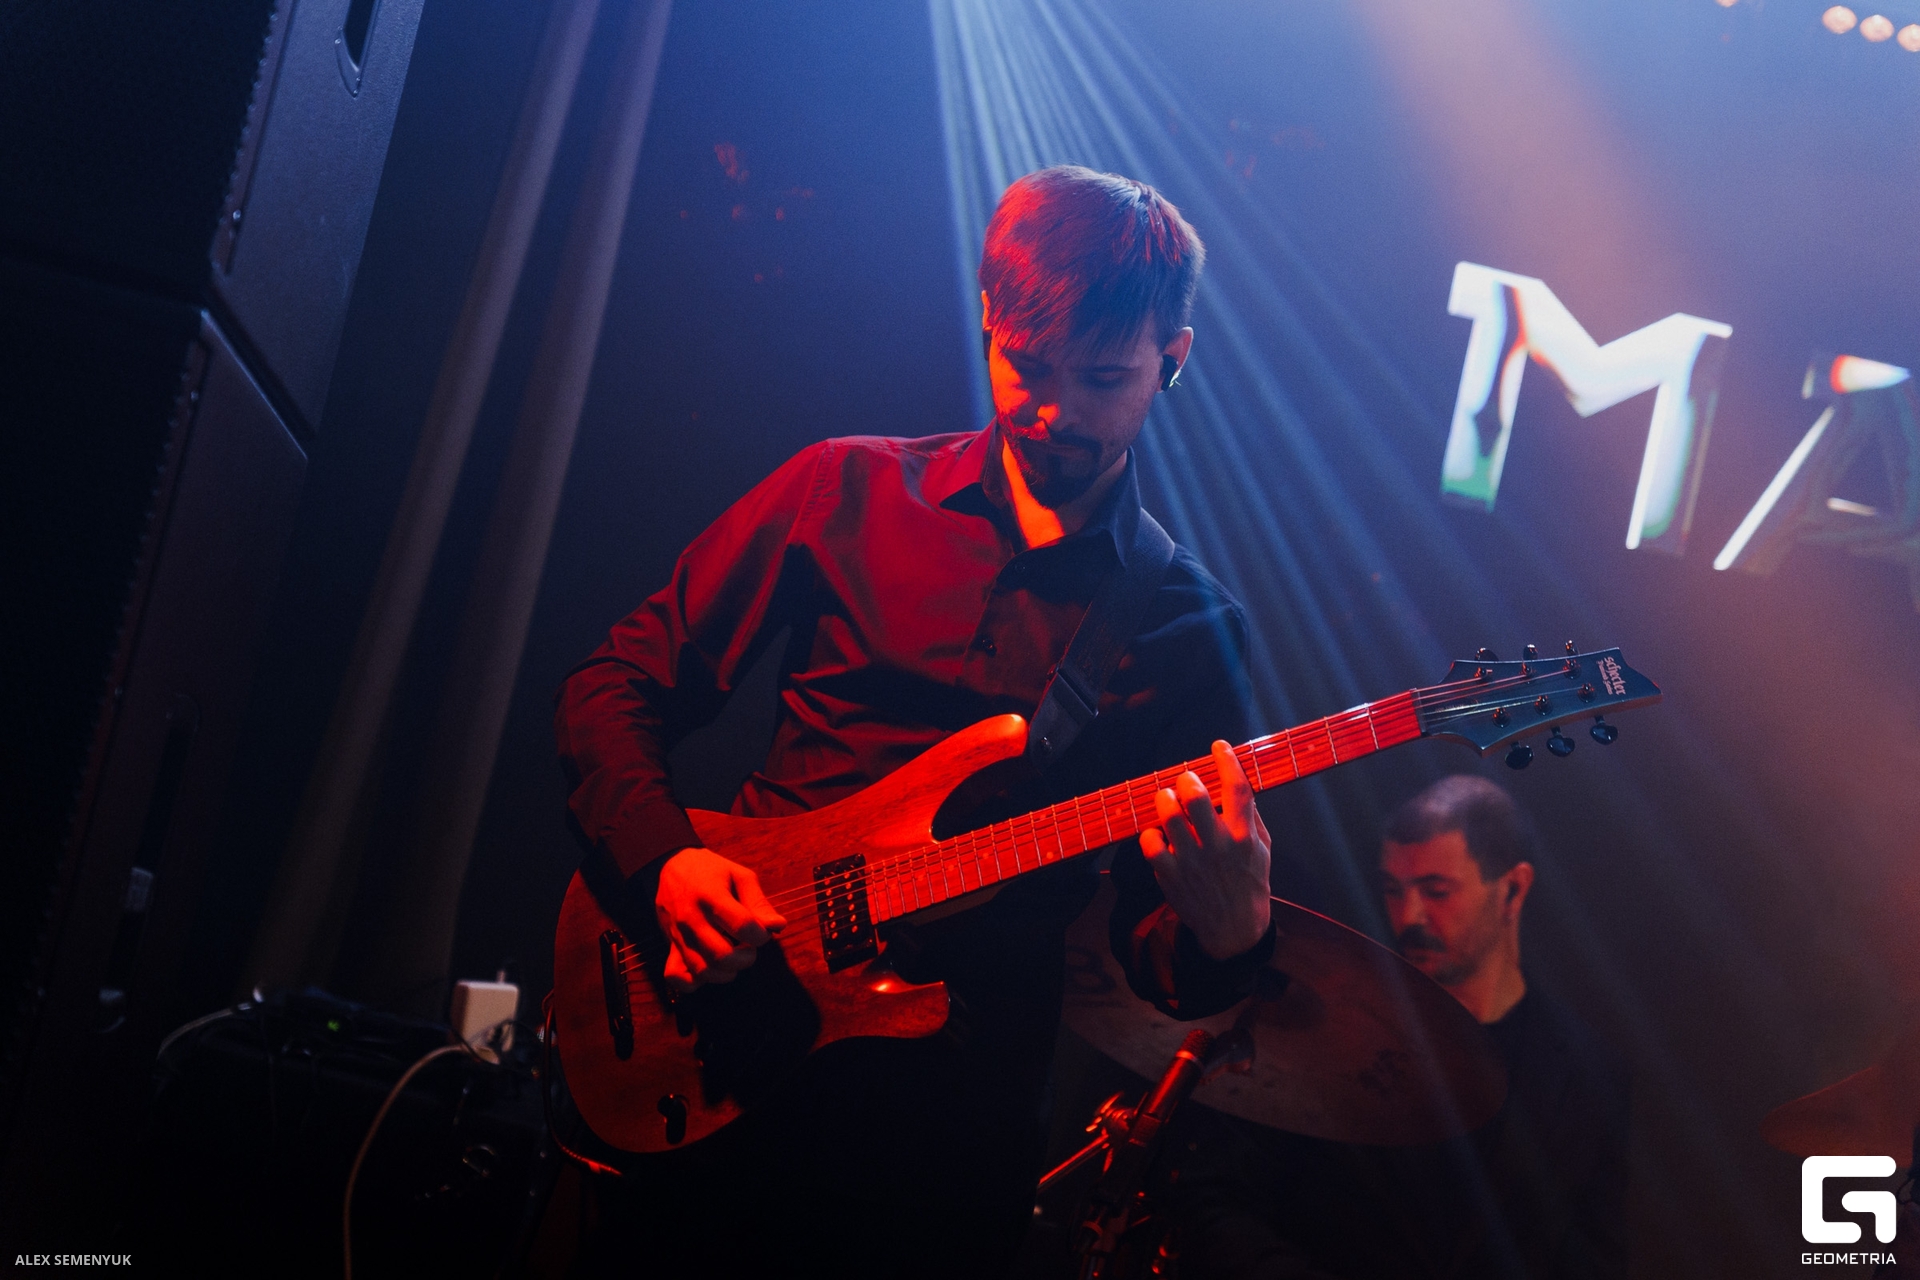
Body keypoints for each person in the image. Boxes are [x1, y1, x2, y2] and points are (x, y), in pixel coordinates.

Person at [554, 165, 1276, 1278]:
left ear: (1172, 358)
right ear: (988, 316)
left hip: (939, 1161)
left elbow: (1154, 955)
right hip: (717, 1058)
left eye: (1101, 377)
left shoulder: (1189, 628)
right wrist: (668, 864)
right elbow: (615, 685)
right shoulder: (842, 492)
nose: (1053, 411)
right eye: (1026, 365)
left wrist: (1230, 934)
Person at [1172, 775, 1631, 1279]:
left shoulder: (1587, 1071)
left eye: (1436, 891)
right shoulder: (1335, 1022)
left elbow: (1594, 1259)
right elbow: (1213, 1205)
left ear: (1513, 889)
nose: (1409, 916)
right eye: (1393, 890)